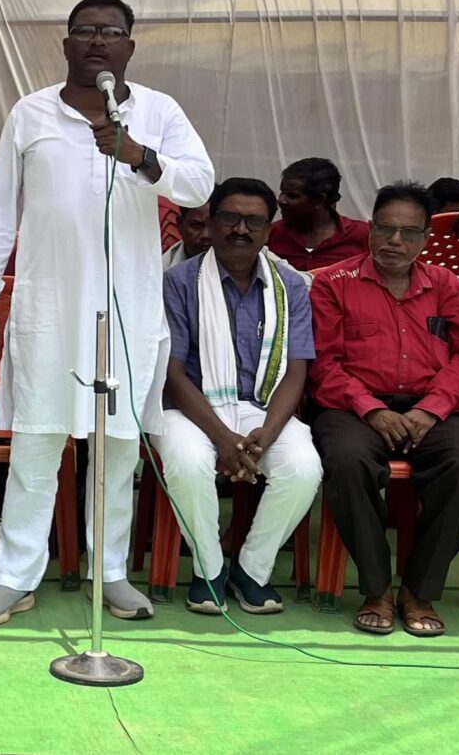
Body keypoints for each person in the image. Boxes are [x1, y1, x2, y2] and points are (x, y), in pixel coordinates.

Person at [0, 0, 215, 626]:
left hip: (127, 307)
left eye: (110, 31)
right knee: (36, 443)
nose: (97, 41)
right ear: (66, 44)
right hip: (50, 305)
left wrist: (140, 157)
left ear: (130, 45)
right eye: (85, 31)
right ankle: (15, 576)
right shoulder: (30, 112)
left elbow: (199, 184)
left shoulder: (159, 111)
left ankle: (110, 573)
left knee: (118, 448)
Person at [307, 181, 459, 637]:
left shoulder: (445, 285)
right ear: (369, 228)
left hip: (433, 407)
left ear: (426, 238)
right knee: (347, 463)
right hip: (353, 407)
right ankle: (376, 589)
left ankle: (418, 591)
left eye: (409, 233)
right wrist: (371, 409)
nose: (395, 241)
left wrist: (432, 408)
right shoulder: (333, 283)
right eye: (385, 229)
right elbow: (323, 363)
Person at [155, 178, 321, 615]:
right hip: (190, 408)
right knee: (188, 462)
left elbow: (296, 369)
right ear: (210, 223)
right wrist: (223, 438)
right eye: (230, 218)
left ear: (269, 230)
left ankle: (251, 571)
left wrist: (266, 433)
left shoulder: (290, 287)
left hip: (262, 408)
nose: (241, 230)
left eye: (254, 221)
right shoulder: (178, 282)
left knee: (303, 467)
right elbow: (172, 373)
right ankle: (209, 570)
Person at [267, 157, 367, 272]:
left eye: (292, 196)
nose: (281, 200)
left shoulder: (364, 236)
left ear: (320, 200)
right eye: (282, 192)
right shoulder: (270, 234)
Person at [169, 201, 214, 266]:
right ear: (180, 224)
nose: (206, 235)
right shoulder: (160, 269)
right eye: (196, 225)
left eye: (213, 225)